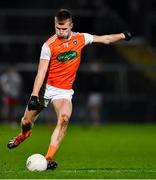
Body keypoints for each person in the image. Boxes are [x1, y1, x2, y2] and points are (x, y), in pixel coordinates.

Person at [7, 9, 132, 170]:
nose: (61, 31)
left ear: (71, 25)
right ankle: (24, 135)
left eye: (64, 28)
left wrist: (123, 36)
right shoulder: (49, 45)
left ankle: (48, 158)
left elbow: (105, 39)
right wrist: (34, 94)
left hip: (63, 92)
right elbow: (41, 71)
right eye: (58, 28)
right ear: (55, 24)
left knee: (64, 118)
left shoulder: (81, 38)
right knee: (26, 122)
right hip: (45, 89)